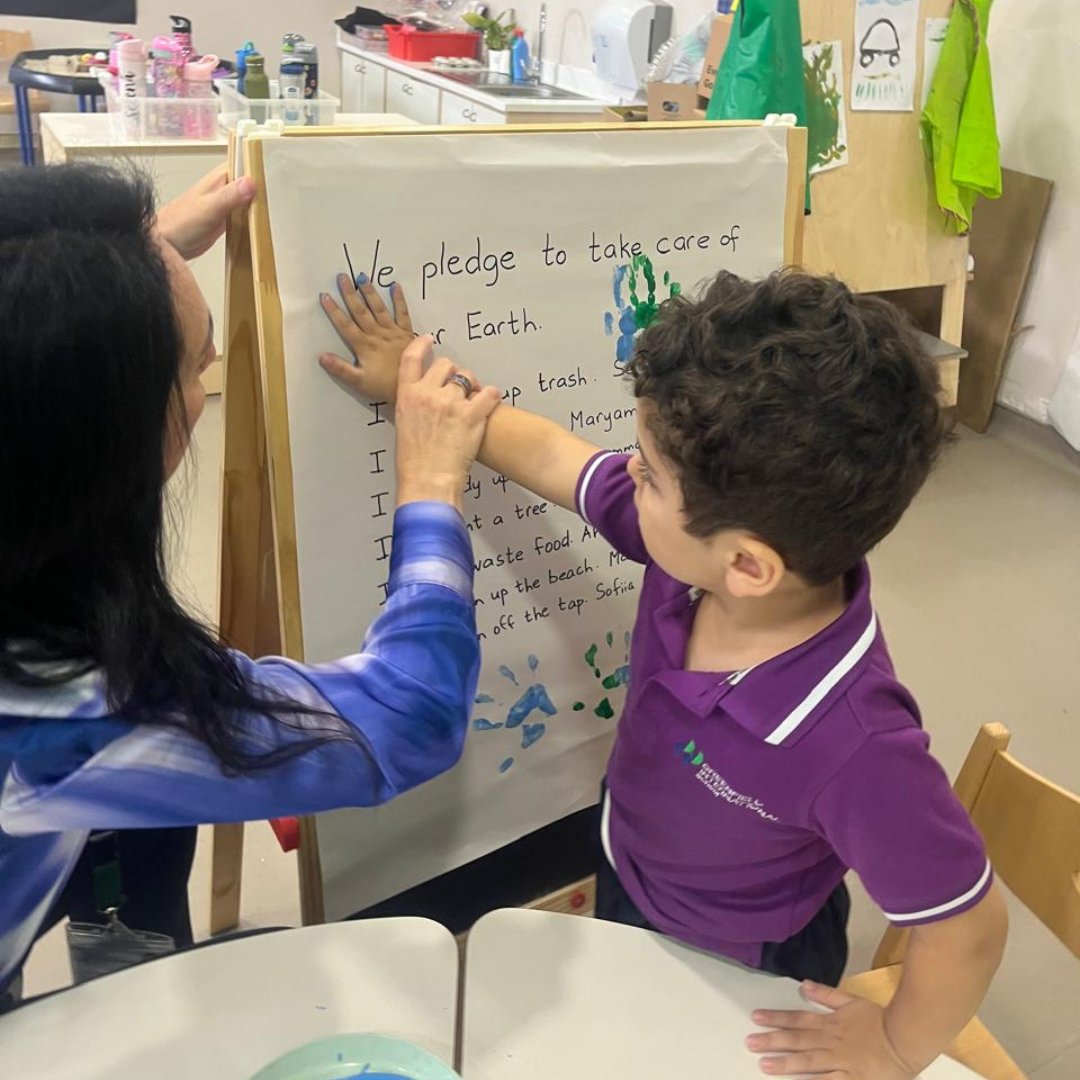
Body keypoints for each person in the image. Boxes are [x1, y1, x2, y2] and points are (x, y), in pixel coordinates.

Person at [320, 270, 1009, 1080]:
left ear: (748, 565)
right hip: (629, 868)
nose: (626, 476)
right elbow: (550, 453)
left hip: (751, 962)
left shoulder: (857, 741)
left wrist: (896, 1044)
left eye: (645, 472)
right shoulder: (695, 553)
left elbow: (968, 926)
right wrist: (429, 388)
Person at [0, 164, 499, 1009]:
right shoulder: (68, 709)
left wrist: (128, 262)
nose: (205, 390)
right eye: (196, 369)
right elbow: (409, 715)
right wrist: (428, 490)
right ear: (105, 444)